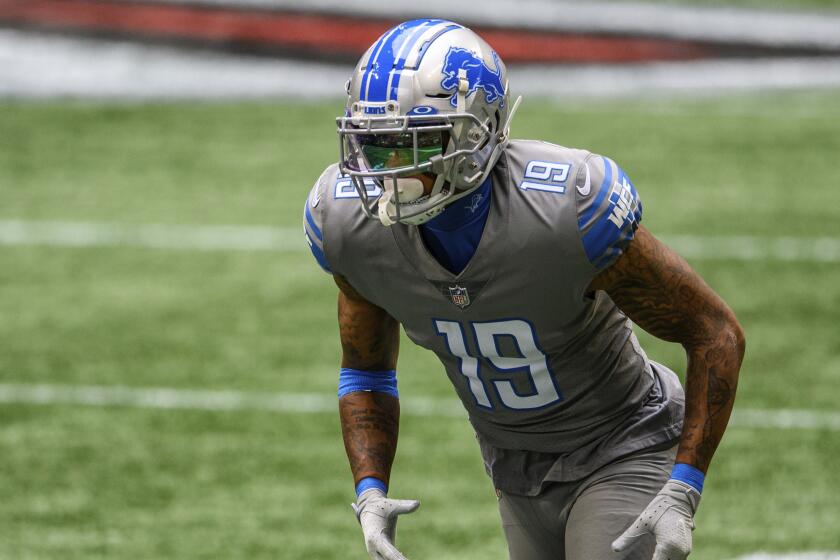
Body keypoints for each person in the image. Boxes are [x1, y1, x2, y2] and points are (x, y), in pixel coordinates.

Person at [303, 18, 745, 560]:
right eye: (375, 147)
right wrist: (369, 490)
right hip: (513, 465)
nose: (387, 171)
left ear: (474, 135)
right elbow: (365, 368)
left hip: (623, 445)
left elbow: (715, 332)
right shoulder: (348, 225)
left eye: (412, 146)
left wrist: (683, 485)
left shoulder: (565, 210)